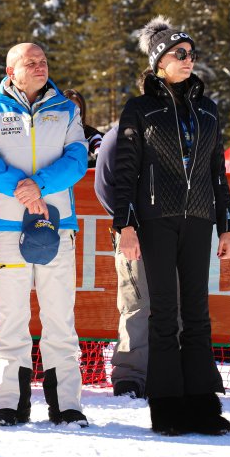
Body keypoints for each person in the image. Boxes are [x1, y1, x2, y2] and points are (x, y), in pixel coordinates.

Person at [113, 16, 230, 436]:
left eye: (191, 54)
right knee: (164, 313)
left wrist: (227, 225)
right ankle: (167, 406)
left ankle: (203, 404)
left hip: (200, 217)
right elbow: (125, 172)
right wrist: (125, 225)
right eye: (179, 54)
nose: (188, 60)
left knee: (198, 314)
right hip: (155, 219)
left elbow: (216, 171)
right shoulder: (140, 108)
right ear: (158, 62)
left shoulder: (207, 108)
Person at [0, 42, 89, 427]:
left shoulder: (67, 109)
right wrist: (21, 189)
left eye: (44, 61)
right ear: (11, 72)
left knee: (59, 318)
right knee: (11, 319)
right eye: (30, 63)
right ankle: (9, 403)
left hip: (58, 226)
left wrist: (37, 185)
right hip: (6, 227)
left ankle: (66, 404)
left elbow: (76, 160)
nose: (40, 67)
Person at [95, 126, 148, 399]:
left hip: (175, 234)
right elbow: (103, 185)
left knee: (178, 305)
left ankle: (170, 373)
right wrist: (126, 225)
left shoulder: (182, 129)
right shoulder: (120, 135)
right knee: (136, 305)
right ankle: (130, 375)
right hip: (134, 235)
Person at [63, 89, 103, 167]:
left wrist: (98, 155)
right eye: (69, 110)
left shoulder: (88, 133)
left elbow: (99, 147)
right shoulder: (52, 131)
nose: (74, 115)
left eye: (77, 111)